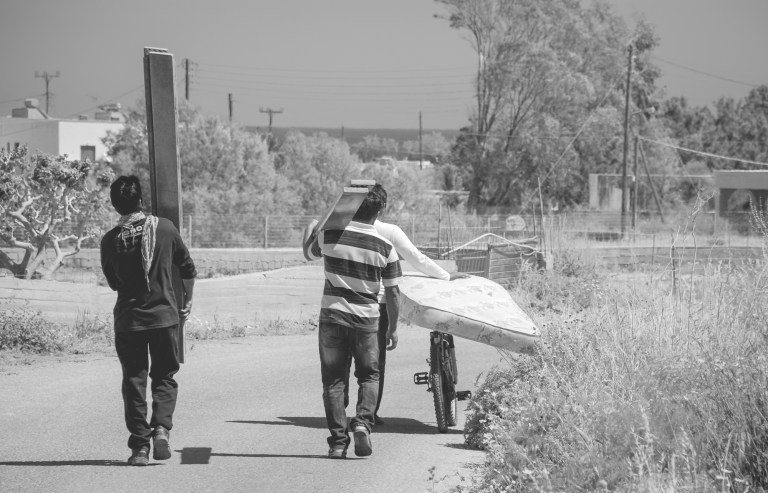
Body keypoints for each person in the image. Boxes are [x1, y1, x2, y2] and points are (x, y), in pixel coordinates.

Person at [100, 175, 196, 466]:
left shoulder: (110, 240)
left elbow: (114, 283)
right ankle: (161, 429)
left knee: (134, 381)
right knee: (164, 376)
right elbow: (187, 268)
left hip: (129, 321)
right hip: (164, 318)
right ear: (140, 200)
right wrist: (187, 299)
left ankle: (140, 447)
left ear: (115, 205)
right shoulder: (164, 228)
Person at [303, 184, 401, 459]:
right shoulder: (386, 247)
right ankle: (362, 424)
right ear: (381, 210)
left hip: (332, 318)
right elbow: (393, 292)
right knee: (369, 375)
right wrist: (393, 328)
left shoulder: (329, 235)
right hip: (367, 321)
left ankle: (337, 443)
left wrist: (321, 221)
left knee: (333, 381)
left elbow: (308, 253)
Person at [369, 185, 467, 425]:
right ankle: (369, 414)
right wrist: (446, 276)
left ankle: (345, 414)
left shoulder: (345, 229)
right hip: (378, 303)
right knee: (375, 361)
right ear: (383, 207)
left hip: (347, 302)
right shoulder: (389, 231)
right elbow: (416, 258)